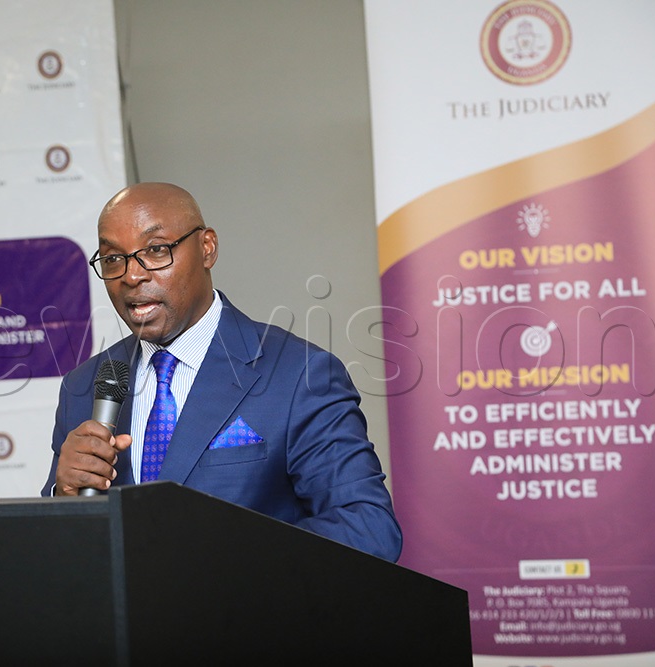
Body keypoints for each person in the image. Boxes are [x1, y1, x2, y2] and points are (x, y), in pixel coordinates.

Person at [40, 182, 402, 562]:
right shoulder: (85, 387)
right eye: (114, 259)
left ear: (207, 248)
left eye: (155, 250)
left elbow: (368, 528)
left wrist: (219, 561)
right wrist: (62, 496)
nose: (132, 276)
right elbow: (59, 560)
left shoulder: (300, 375)